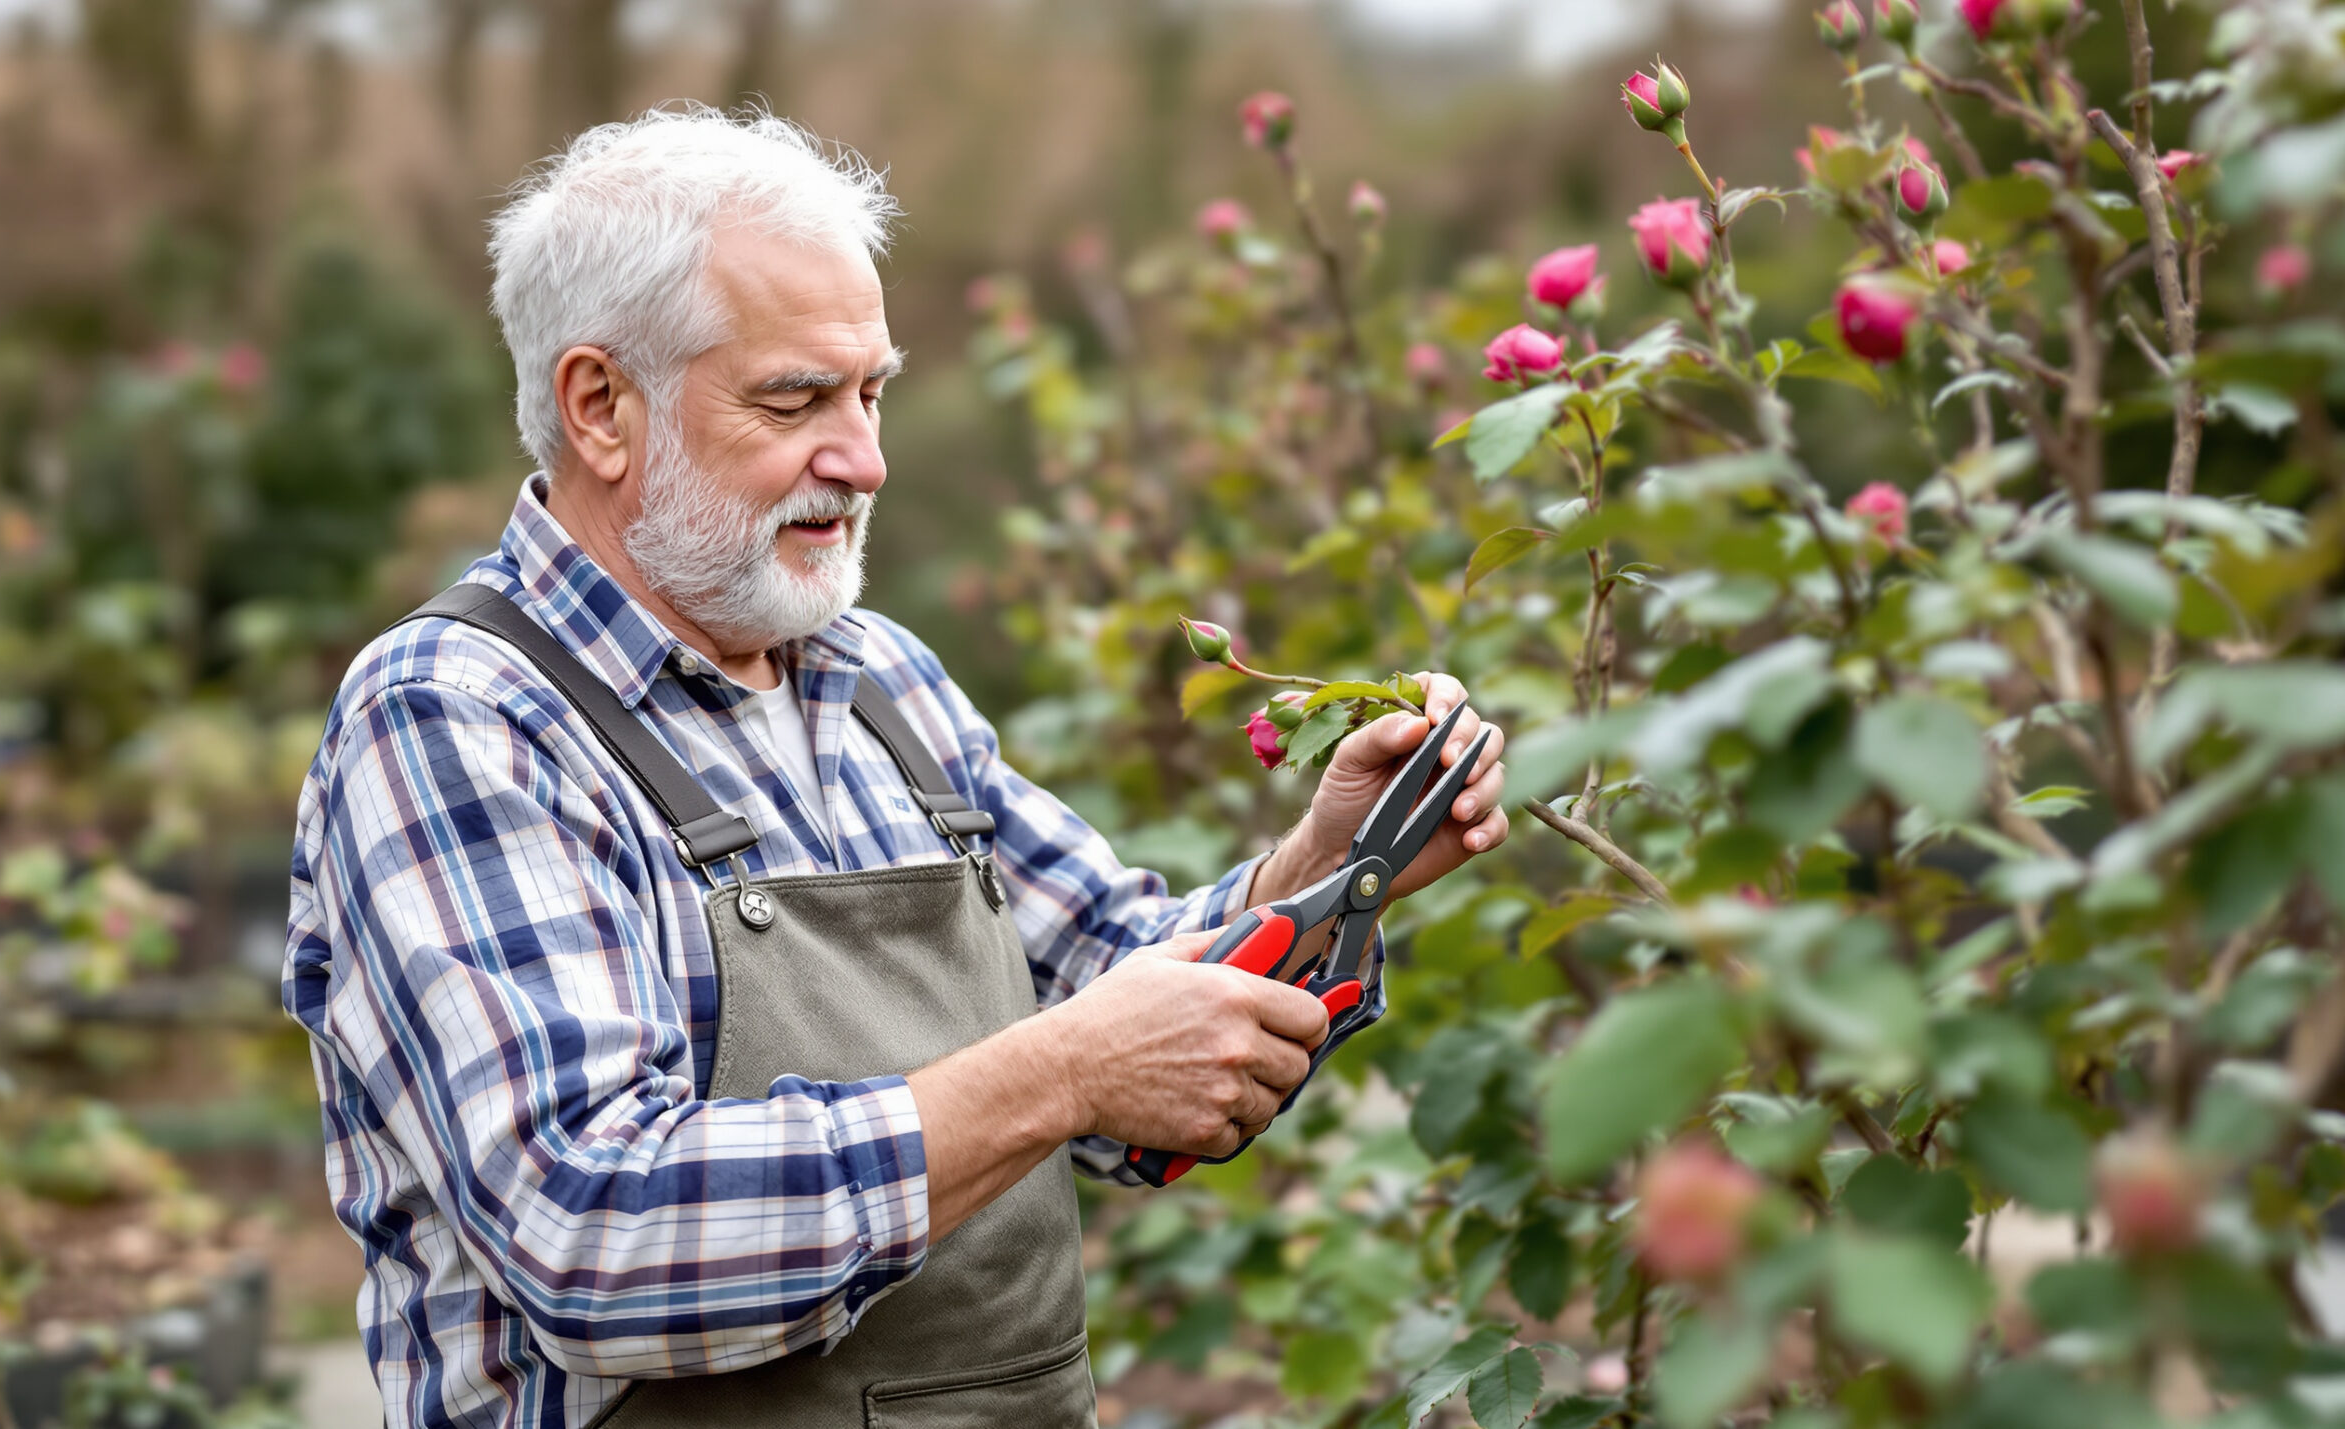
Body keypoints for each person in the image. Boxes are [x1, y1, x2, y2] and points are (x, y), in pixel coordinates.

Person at [281, 104, 1508, 1429]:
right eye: (796, 399)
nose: (865, 461)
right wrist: (1055, 1075)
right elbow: (598, 1240)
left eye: (871, 393)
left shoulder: (878, 682)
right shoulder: (457, 719)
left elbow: (1121, 1013)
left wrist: (1329, 866)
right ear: (601, 407)